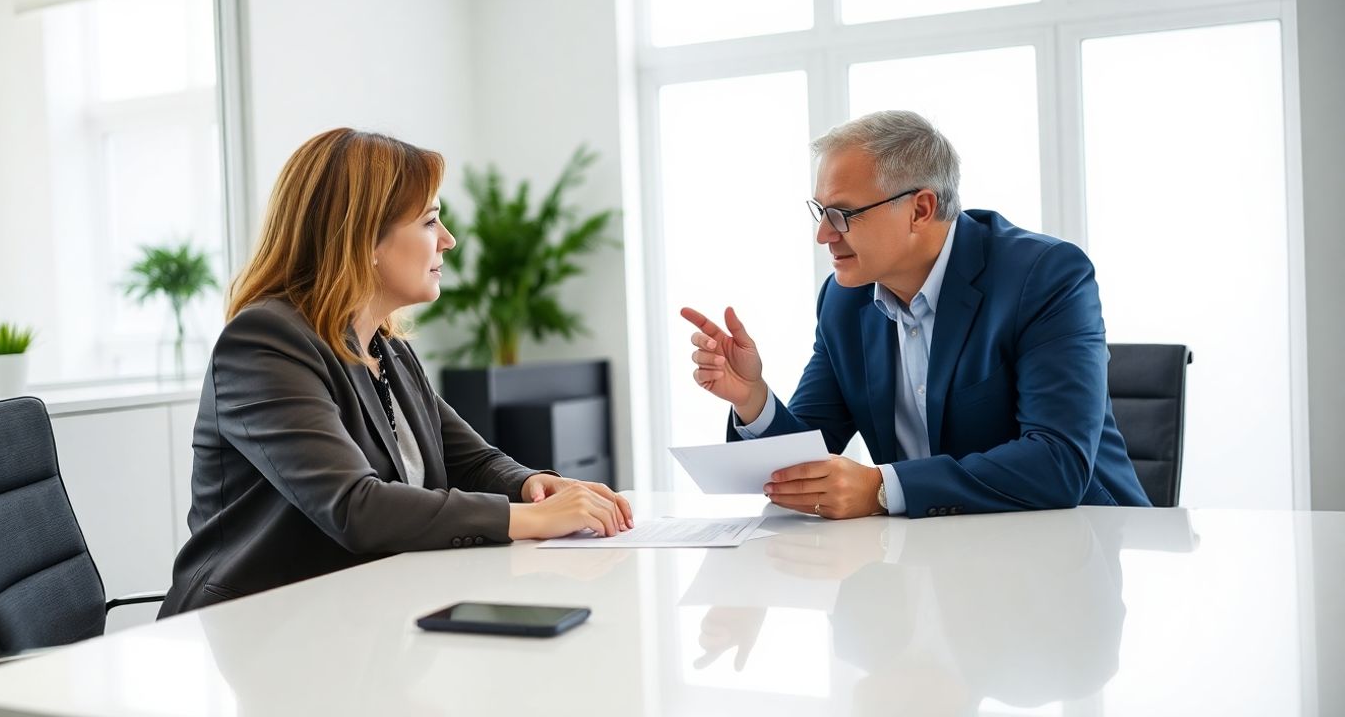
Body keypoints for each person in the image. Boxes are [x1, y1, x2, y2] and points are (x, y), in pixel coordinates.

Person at [160, 128, 631, 617]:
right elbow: (354, 506)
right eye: (430, 222)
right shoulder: (264, 343)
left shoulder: (387, 349)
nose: (448, 241)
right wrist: (529, 518)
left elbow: (470, 460)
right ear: (365, 239)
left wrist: (533, 484)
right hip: (252, 628)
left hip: (359, 615)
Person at [681, 110, 1150, 520]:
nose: (824, 234)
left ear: (920, 209)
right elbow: (808, 463)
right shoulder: (845, 301)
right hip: (927, 561)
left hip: (1077, 547)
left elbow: (1057, 462)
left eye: (843, 213)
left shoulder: (1043, 275)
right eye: (820, 211)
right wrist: (753, 400)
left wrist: (882, 489)